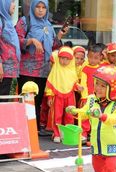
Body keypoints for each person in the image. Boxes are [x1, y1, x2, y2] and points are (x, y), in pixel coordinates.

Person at [67, 65, 116, 172]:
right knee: (97, 167)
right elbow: (84, 112)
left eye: (102, 86)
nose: (98, 88)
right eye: (97, 84)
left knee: (110, 168)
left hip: (113, 143)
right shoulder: (92, 100)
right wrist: (75, 111)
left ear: (114, 89)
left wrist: (102, 116)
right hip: (97, 142)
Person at [15, 0, 67, 130]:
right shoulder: (24, 21)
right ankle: (24, 129)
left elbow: (53, 46)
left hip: (43, 69)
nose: (40, 10)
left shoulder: (48, 25)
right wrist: (31, 40)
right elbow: (15, 41)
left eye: (43, 7)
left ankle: (35, 129)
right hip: (27, 70)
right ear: (32, 7)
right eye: (38, 7)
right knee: (26, 101)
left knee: (37, 102)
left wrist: (60, 35)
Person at [45, 47, 80, 143]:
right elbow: (51, 84)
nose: (64, 61)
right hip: (57, 95)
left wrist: (78, 87)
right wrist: (49, 96)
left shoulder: (72, 70)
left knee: (69, 115)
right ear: (58, 58)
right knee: (57, 115)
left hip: (70, 95)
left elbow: (73, 83)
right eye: (62, 58)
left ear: (71, 59)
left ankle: (67, 134)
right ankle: (57, 133)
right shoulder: (56, 69)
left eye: (67, 59)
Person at [79, 44, 102, 139]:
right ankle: (83, 133)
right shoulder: (85, 69)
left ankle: (94, 133)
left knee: (96, 114)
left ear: (101, 57)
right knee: (85, 114)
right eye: (91, 57)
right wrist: (84, 96)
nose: (93, 60)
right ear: (87, 56)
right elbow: (83, 83)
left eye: (96, 58)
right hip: (88, 96)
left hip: (98, 97)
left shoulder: (101, 69)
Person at [0, 0, 20, 99]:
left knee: (4, 100)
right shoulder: (1, 21)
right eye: (11, 2)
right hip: (2, 69)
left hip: (8, 70)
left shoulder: (7, 21)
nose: (14, 5)